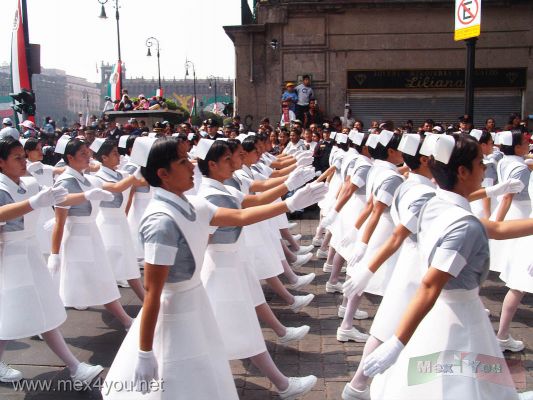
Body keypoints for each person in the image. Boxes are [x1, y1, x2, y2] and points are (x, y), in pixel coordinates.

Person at [103, 137, 325, 399]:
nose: (192, 168)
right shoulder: (160, 221)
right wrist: (144, 351)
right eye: (183, 162)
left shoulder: (191, 203)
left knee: (203, 372)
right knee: (177, 375)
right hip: (173, 311)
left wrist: (289, 203)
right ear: (163, 173)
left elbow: (240, 215)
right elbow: (153, 292)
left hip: (195, 301)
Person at [360, 134, 533, 400]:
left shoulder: (431, 202)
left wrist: (490, 191)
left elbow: (497, 228)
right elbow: (431, 283)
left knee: (445, 376)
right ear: (462, 171)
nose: (485, 168)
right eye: (480, 162)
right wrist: (396, 341)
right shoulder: (465, 225)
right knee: (463, 383)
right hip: (461, 316)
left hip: (440, 313)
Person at [0, 137, 104, 385]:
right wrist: (33, 203)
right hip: (10, 257)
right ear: (1, 163)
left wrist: (87, 195)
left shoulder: (27, 183)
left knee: (34, 309)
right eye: (17, 157)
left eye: (23, 156)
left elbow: (59, 199)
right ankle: (75, 367)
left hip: (29, 253)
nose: (24, 161)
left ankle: (75, 367)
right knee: (13, 311)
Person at [50, 137, 133, 328]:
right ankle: (45, 323)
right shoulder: (65, 181)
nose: (88, 157)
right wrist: (54, 254)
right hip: (77, 238)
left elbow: (111, 185)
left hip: (90, 234)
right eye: (83, 154)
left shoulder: (84, 178)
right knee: (71, 285)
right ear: (70, 157)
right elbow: (59, 221)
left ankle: (126, 320)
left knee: (96, 280)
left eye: (88, 153)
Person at [92, 138, 145, 299]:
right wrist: (141, 166)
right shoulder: (97, 178)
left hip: (120, 223)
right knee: (107, 267)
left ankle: (147, 301)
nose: (119, 156)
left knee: (128, 264)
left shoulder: (122, 174)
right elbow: (117, 188)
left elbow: (139, 184)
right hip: (107, 224)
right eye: (114, 153)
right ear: (104, 158)